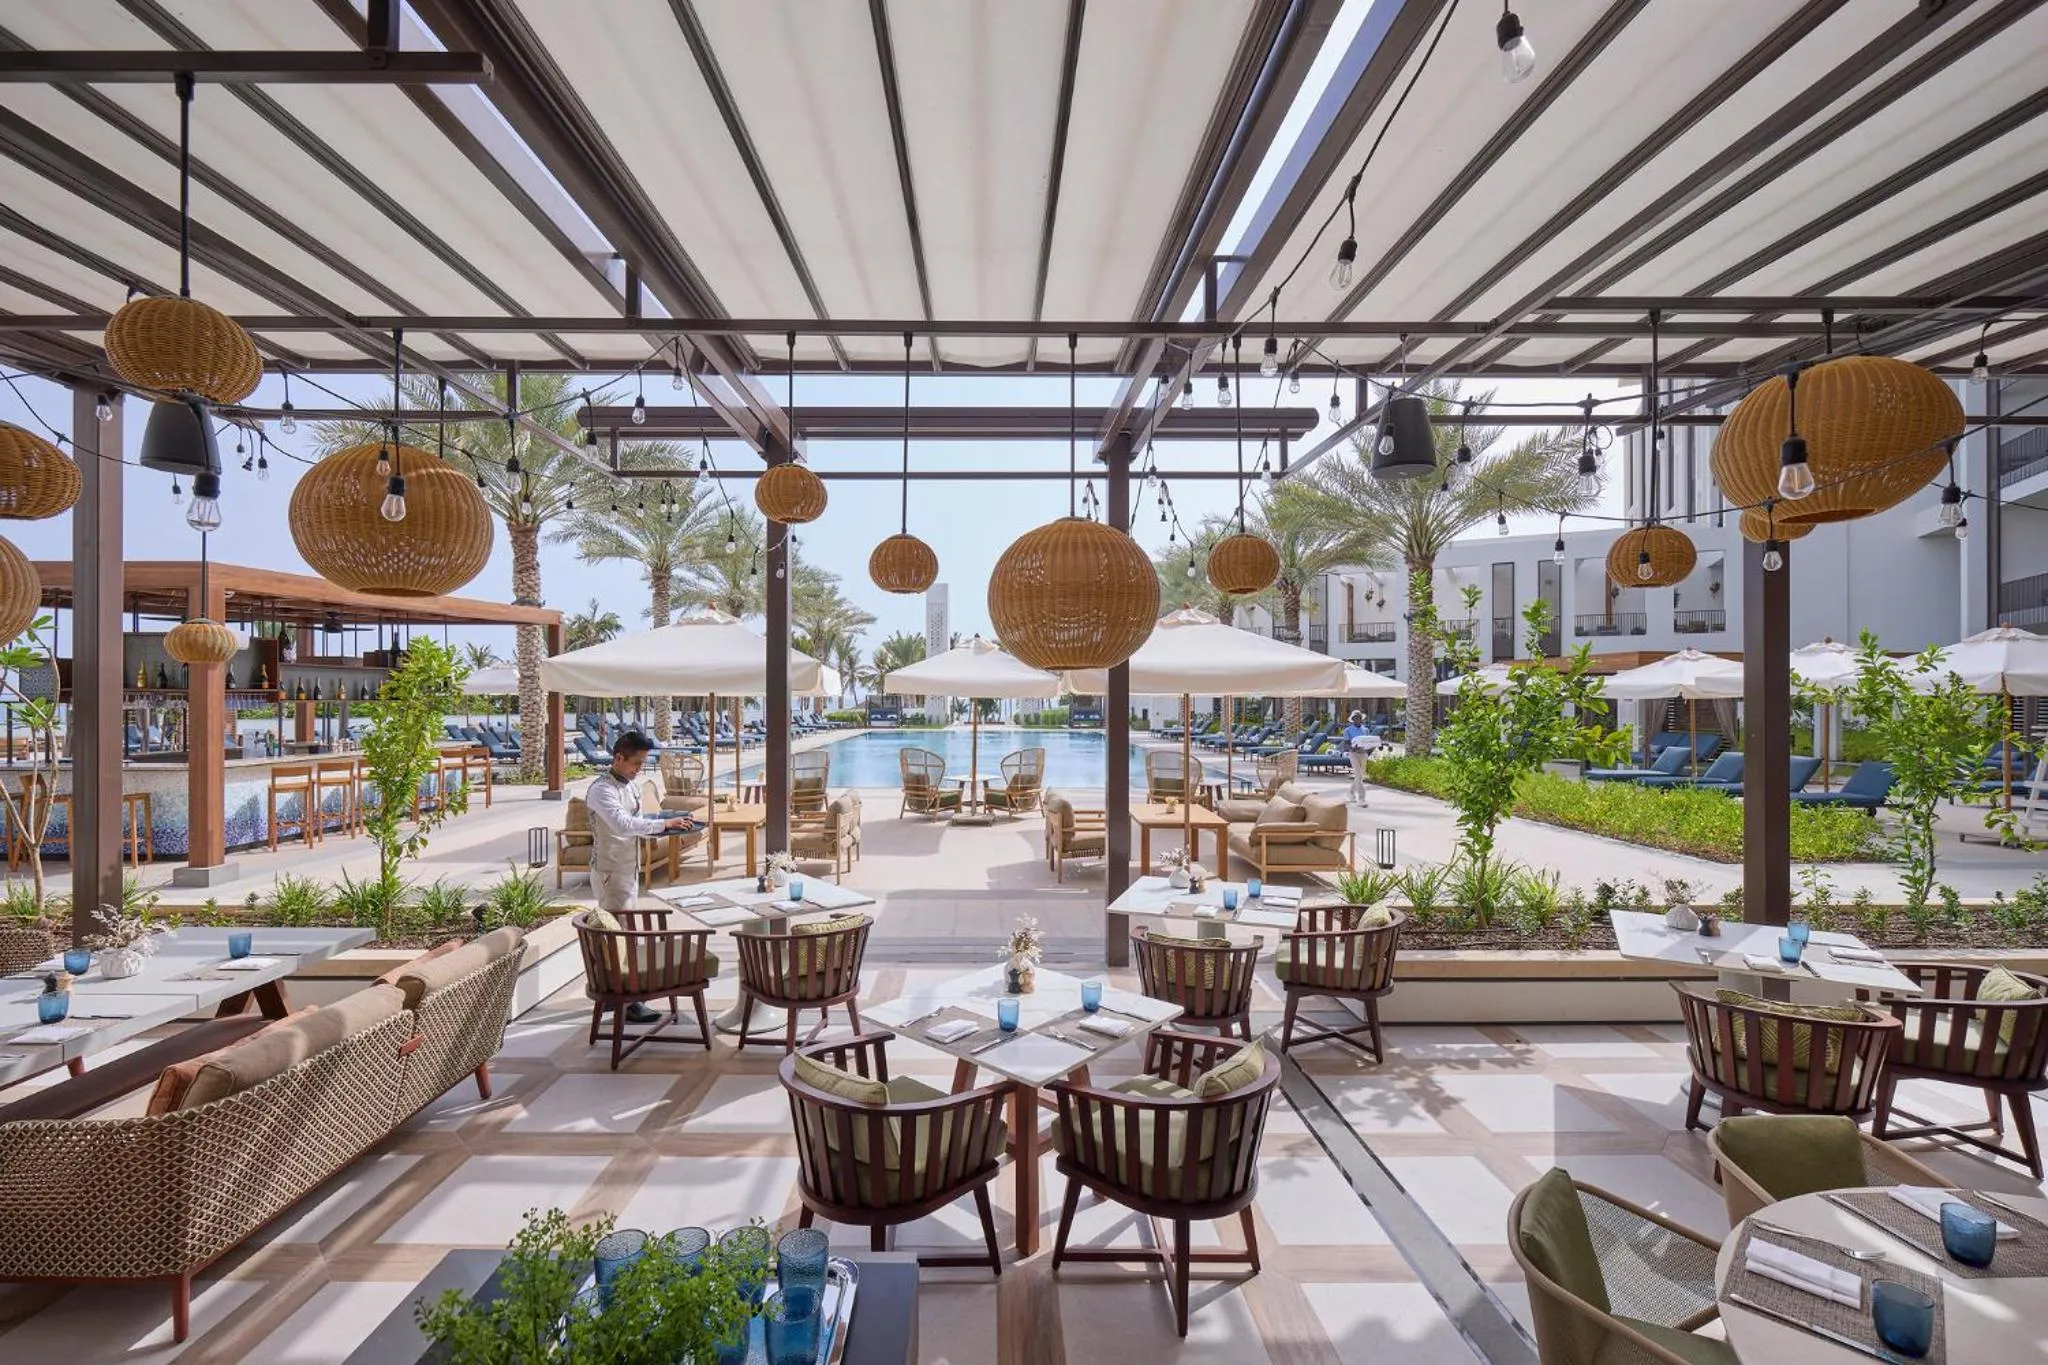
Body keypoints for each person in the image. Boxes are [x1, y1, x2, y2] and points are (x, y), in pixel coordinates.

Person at [586, 731, 697, 1022]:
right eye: (636, 763)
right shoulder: (601, 790)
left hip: (627, 867)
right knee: (617, 936)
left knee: (619, 932)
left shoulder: (630, 786)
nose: (639, 769)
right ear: (618, 758)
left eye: (643, 763)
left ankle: (616, 996)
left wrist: (665, 821)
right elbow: (622, 825)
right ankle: (626, 999)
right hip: (611, 870)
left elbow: (639, 818)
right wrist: (663, 826)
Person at [1343, 710, 1379, 806]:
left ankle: (1350, 793)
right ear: (1352, 719)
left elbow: (1368, 742)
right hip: (1353, 754)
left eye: (1359, 717)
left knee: (1360, 775)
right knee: (1358, 775)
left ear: (1361, 719)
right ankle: (1361, 799)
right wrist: (1353, 748)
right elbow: (1346, 744)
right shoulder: (1348, 730)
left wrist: (1369, 750)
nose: (1357, 719)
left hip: (1363, 754)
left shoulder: (1365, 730)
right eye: (1355, 717)